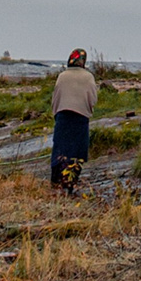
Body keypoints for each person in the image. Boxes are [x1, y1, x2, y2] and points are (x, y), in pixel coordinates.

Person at [49, 48, 97, 192]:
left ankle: (56, 181)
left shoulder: (62, 76)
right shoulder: (88, 77)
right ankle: (70, 183)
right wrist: (88, 112)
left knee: (60, 149)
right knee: (77, 151)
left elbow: (56, 97)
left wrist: (56, 115)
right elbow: (93, 99)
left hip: (62, 116)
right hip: (81, 117)